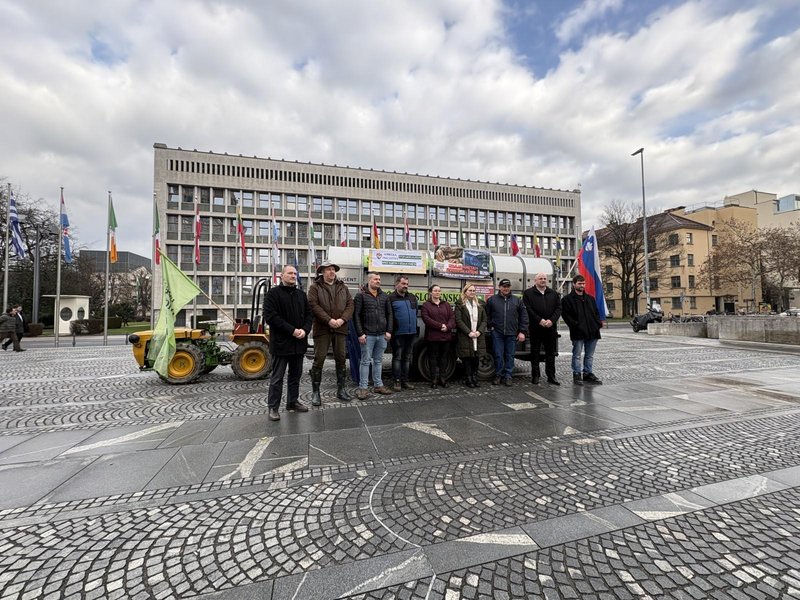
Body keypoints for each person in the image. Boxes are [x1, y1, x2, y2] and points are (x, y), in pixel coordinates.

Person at [264, 265, 312, 421]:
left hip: (299, 343)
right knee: (277, 378)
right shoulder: (273, 294)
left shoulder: (301, 294)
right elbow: (271, 317)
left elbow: (309, 315)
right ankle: (273, 407)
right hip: (281, 344)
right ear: (281, 276)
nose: (293, 276)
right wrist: (292, 330)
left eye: (295, 273)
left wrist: (305, 330)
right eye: (290, 273)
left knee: (295, 376)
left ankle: (292, 402)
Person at [307, 260, 354, 405]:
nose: (331, 272)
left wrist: (342, 320)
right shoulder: (315, 287)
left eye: (333, 269)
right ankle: (316, 392)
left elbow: (350, 305)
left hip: (340, 328)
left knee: (340, 358)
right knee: (319, 358)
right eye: (328, 269)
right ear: (322, 271)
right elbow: (313, 305)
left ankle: (341, 390)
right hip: (322, 329)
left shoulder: (342, 287)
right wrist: (328, 320)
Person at [353, 272, 394, 400]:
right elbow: (356, 316)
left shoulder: (384, 296)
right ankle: (363, 388)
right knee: (365, 361)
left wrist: (389, 331)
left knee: (378, 361)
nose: (378, 281)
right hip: (367, 335)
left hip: (382, 335)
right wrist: (360, 333)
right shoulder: (361, 296)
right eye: (375, 279)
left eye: (379, 279)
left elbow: (390, 315)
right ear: (369, 281)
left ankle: (378, 385)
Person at [561, 274, 604, 385]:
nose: (582, 285)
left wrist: (598, 324)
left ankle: (588, 373)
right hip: (578, 331)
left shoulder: (590, 298)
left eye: (583, 283)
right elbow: (566, 316)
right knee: (577, 354)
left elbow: (596, 313)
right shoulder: (567, 300)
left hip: (592, 331)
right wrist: (576, 325)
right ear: (574, 284)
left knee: (589, 355)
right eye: (580, 283)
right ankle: (577, 374)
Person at [485, 279, 528, 386]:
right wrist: (491, 326)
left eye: (508, 286)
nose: (506, 288)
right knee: (498, 355)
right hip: (497, 333)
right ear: (499, 287)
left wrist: (522, 331)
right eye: (504, 286)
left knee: (510, 355)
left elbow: (524, 316)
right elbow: (486, 315)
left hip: (512, 333)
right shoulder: (492, 300)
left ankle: (508, 376)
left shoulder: (517, 300)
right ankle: (498, 375)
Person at [523, 272, 561, 385]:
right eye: (540, 278)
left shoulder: (553, 293)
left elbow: (558, 308)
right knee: (535, 353)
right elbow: (528, 309)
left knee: (550, 353)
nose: (543, 280)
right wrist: (539, 320)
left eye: (545, 278)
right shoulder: (528, 293)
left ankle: (551, 376)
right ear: (535, 280)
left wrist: (551, 320)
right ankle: (535, 375)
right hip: (535, 328)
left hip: (550, 328)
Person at [421, 284, 455, 389]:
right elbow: (426, 319)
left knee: (444, 358)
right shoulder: (426, 305)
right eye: (435, 290)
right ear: (431, 292)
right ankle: (434, 379)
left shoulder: (446, 304)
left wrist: (448, 326)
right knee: (433, 358)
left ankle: (443, 378)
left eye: (439, 291)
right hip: (433, 337)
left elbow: (452, 317)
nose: (437, 292)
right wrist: (440, 326)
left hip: (446, 336)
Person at [388, 275, 418, 391]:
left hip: (411, 333)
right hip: (397, 334)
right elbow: (389, 316)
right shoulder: (391, 298)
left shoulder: (412, 297)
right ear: (397, 284)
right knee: (397, 357)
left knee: (407, 358)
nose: (405, 286)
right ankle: (396, 381)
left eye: (407, 284)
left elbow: (414, 313)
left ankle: (405, 380)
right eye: (403, 284)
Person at [454, 283, 487, 388]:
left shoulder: (480, 304)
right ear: (465, 292)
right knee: (467, 358)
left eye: (473, 290)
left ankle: (475, 377)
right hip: (466, 335)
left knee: (476, 358)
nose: (472, 292)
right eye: (470, 290)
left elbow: (484, 320)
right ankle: (468, 378)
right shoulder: (460, 304)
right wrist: (469, 332)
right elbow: (458, 320)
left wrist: (479, 332)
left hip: (478, 335)